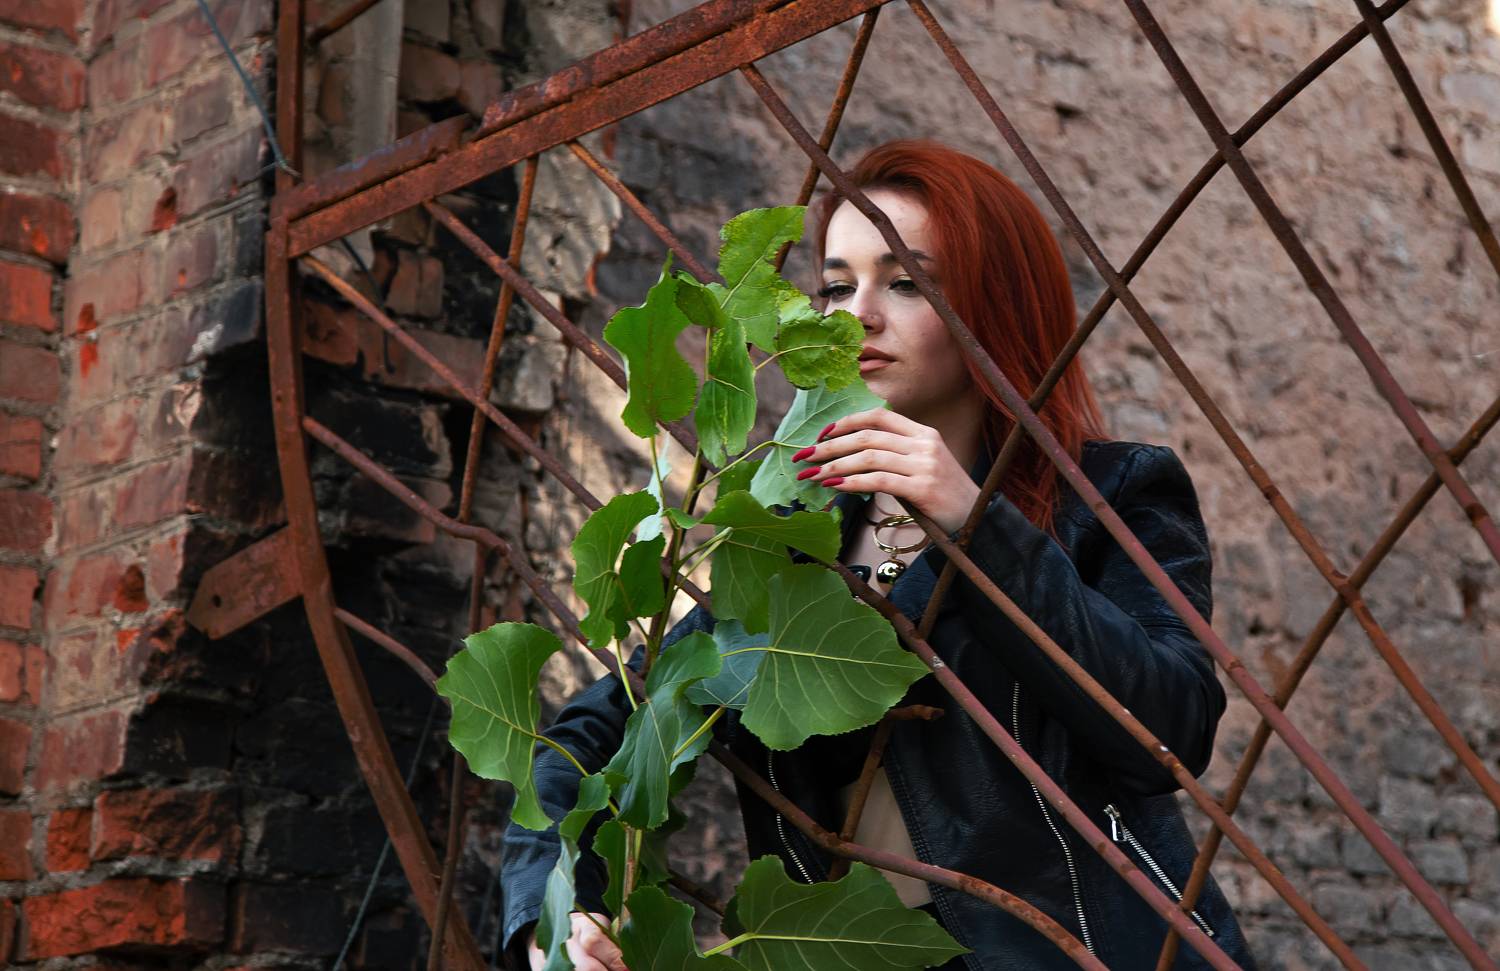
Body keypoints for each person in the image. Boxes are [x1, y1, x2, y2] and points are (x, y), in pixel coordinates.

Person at [498, 138, 1258, 970]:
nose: (855, 314)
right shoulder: (802, 532)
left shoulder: (1112, 492)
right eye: (835, 285)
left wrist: (974, 520)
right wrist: (554, 913)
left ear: (998, 304)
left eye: (906, 282)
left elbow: (1171, 729)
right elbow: (604, 728)